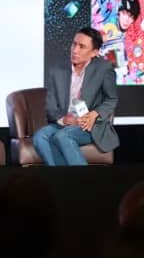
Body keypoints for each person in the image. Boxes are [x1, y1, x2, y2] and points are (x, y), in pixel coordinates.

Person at [33, 27, 119, 166]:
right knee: (40, 137)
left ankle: (82, 178)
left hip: (89, 125)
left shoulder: (103, 69)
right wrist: (64, 120)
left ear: (94, 52)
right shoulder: (57, 70)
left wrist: (94, 114)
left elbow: (111, 99)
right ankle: (63, 177)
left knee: (63, 136)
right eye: (74, 44)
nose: (75, 50)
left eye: (82, 47)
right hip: (64, 123)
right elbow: (50, 105)